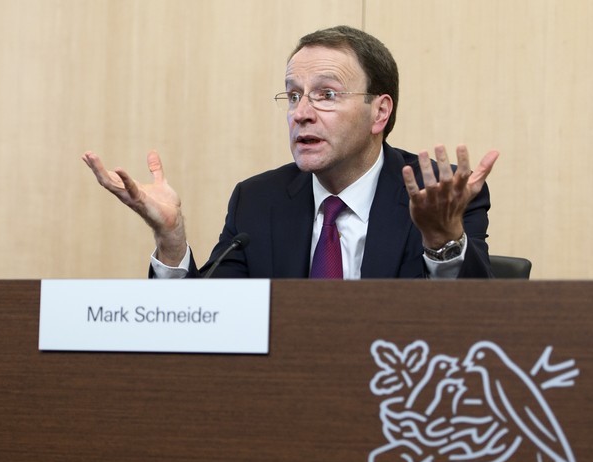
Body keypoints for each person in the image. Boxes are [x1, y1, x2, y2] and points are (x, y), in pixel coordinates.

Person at [82, 25, 499, 279]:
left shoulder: (439, 197)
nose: (301, 113)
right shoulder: (258, 201)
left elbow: (475, 327)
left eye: (326, 95)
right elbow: (206, 321)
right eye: (294, 95)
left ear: (380, 112)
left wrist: (442, 239)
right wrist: (170, 240)